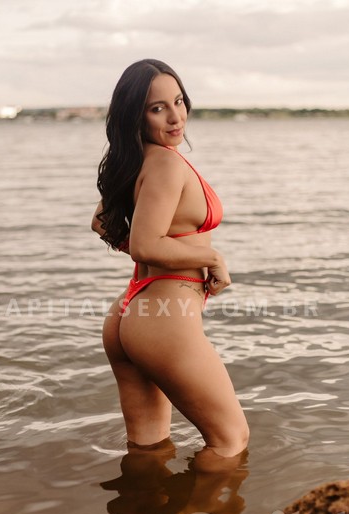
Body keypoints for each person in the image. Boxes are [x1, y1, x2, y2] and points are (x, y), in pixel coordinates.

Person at [92, 59, 249, 458]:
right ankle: (203, 503)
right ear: (136, 115)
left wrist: (160, 256)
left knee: (149, 448)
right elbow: (146, 245)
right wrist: (210, 257)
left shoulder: (136, 160)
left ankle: (142, 501)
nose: (176, 117)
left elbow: (102, 222)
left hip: (129, 314)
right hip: (163, 320)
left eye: (178, 101)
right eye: (157, 108)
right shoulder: (164, 164)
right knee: (231, 442)